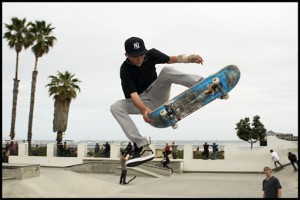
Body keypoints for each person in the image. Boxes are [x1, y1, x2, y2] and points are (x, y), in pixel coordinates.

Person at [110, 36, 204, 167]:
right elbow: (133, 95)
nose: (139, 59)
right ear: (126, 55)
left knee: (166, 71)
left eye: (142, 55)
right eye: (135, 56)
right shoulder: (125, 69)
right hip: (142, 102)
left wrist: (190, 58)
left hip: (158, 93)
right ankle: (142, 145)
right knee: (115, 107)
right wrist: (143, 109)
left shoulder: (152, 54)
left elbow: (171, 59)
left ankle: (202, 85)